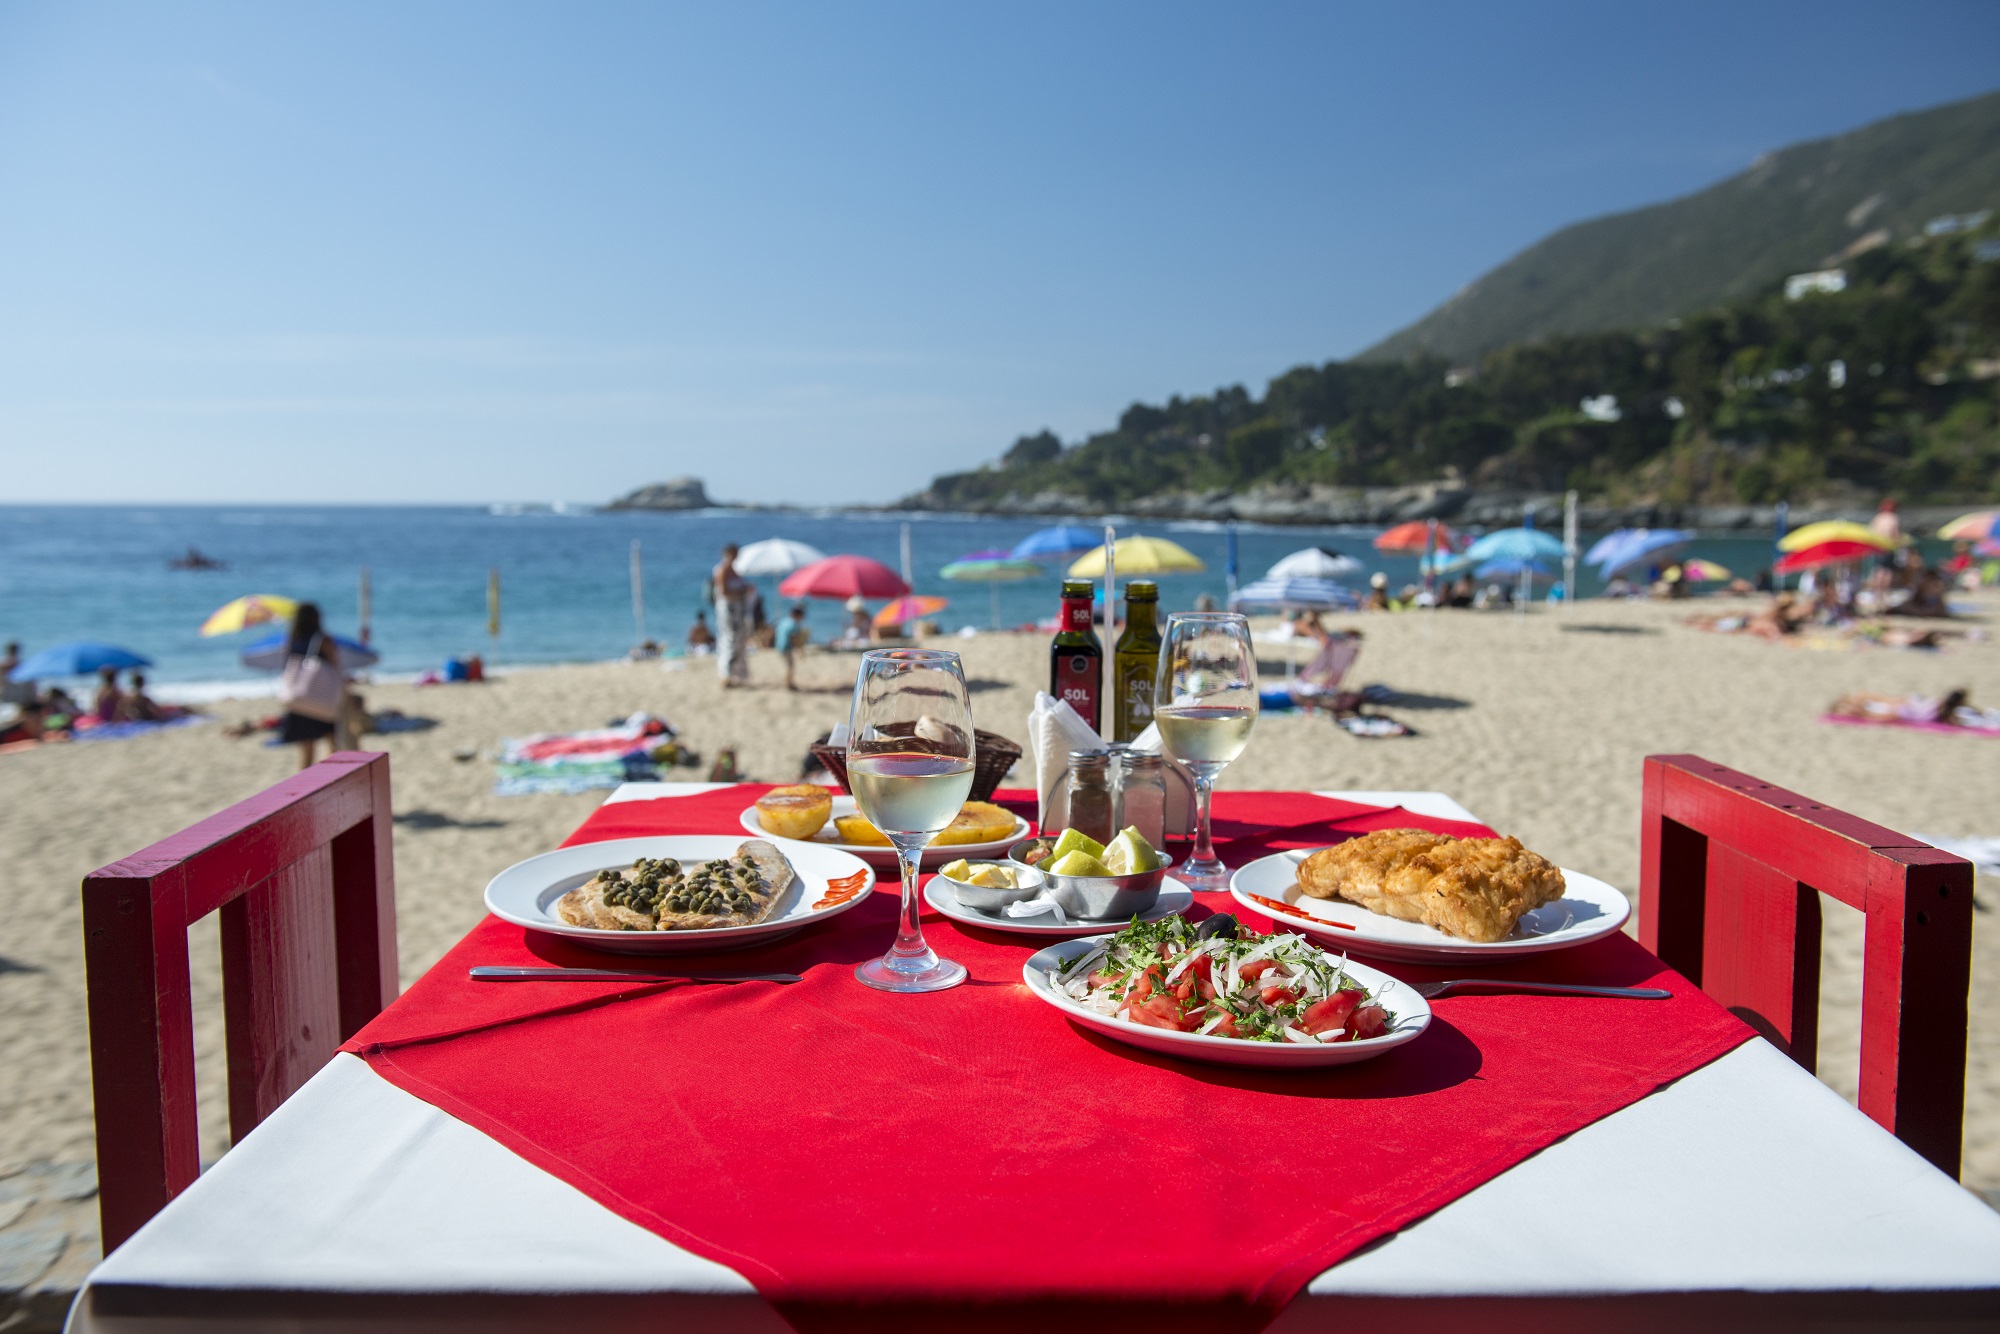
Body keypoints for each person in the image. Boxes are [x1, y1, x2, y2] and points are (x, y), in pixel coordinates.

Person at [276, 602, 344, 769]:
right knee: (332, 742)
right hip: (320, 698)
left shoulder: (292, 639)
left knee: (306, 750)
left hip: (299, 700)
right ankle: (329, 775)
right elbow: (336, 666)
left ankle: (305, 785)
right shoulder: (322, 639)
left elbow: (285, 666)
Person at [711, 544, 755, 687]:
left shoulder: (734, 571)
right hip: (728, 610)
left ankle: (735, 674)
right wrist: (742, 592)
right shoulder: (722, 570)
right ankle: (726, 675)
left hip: (737, 610)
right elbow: (724, 592)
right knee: (729, 639)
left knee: (738, 640)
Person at [776, 604, 811, 691]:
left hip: (779, 646)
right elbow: (794, 639)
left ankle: (788, 683)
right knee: (790, 666)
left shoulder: (784, 621)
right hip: (786, 647)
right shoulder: (793, 625)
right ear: (798, 615)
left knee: (789, 666)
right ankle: (788, 684)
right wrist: (799, 651)